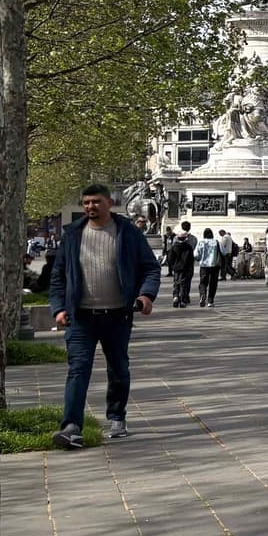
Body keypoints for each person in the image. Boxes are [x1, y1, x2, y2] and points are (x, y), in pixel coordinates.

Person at [49, 182, 159, 447]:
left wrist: (145, 296)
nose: (90, 207)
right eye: (86, 203)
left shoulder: (129, 233)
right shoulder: (73, 235)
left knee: (118, 368)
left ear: (110, 203)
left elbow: (150, 268)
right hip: (81, 318)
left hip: (117, 317)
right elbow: (57, 277)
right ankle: (72, 427)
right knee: (78, 369)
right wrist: (59, 308)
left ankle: (117, 416)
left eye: (96, 202)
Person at [166, 221, 197, 308]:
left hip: (176, 268)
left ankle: (175, 296)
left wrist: (172, 265)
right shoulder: (190, 245)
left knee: (176, 282)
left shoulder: (174, 246)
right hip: (186, 268)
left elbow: (170, 257)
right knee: (184, 283)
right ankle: (183, 299)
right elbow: (191, 258)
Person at [195, 227, 221, 307]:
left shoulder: (201, 242)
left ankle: (202, 295)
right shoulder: (216, 242)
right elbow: (224, 252)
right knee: (213, 283)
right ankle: (210, 301)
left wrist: (199, 259)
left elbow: (196, 254)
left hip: (204, 266)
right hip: (214, 266)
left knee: (203, 282)